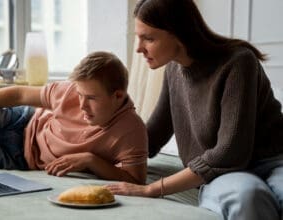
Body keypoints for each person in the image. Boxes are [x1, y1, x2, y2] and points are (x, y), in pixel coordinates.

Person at [106, 0, 283, 220]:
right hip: (225, 176)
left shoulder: (238, 62)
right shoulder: (173, 70)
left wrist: (152, 189)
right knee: (249, 195)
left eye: (149, 38)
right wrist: (91, 156)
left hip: (272, 161)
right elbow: (151, 136)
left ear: (179, 33)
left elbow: (229, 153)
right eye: (138, 36)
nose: (139, 48)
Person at [0, 51, 148, 184]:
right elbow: (18, 93)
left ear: (117, 96)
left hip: (17, 157)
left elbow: (135, 179)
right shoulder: (70, 91)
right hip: (18, 120)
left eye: (92, 99)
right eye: (80, 95)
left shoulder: (132, 130)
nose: (81, 105)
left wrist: (91, 160)